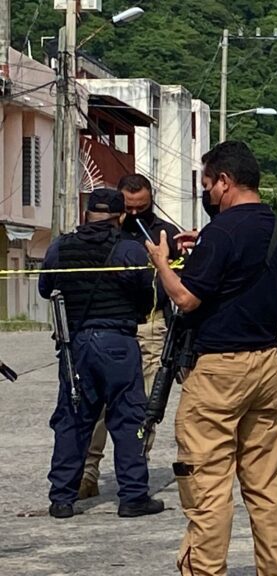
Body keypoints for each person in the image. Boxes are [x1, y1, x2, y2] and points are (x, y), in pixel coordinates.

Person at [145, 141, 277, 575]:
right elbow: (243, 274)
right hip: (266, 362)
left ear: (225, 182)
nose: (207, 193)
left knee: (206, 483)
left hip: (218, 370)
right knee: (266, 484)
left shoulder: (222, 233)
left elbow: (187, 298)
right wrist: (207, 247)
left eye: (208, 185)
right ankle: (276, 570)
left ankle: (204, 570)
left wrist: (162, 262)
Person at [39, 188, 165, 519]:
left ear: (87, 214)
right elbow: (146, 297)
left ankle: (62, 498)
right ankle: (133, 496)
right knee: (127, 418)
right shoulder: (129, 250)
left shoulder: (59, 247)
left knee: (74, 418)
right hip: (118, 342)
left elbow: (45, 289)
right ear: (121, 216)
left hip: (77, 344)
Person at [78, 174, 181, 500]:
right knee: (96, 405)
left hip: (150, 324)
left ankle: (135, 470)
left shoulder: (167, 234)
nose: (136, 215)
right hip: (107, 326)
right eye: (129, 208)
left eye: (143, 207)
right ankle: (87, 472)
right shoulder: (100, 234)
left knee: (144, 405)